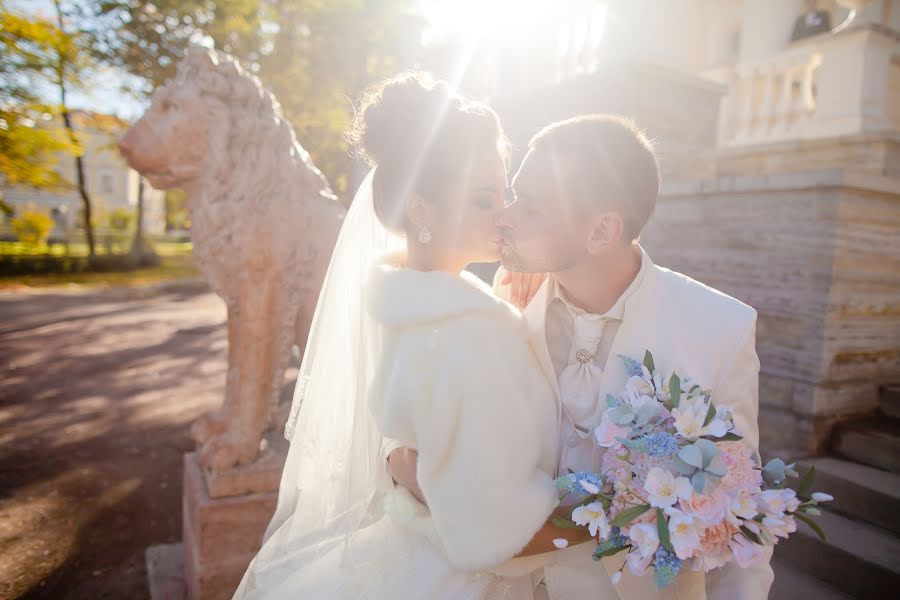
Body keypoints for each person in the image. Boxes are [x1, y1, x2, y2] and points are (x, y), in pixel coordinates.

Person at [390, 115, 775, 599]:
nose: (504, 216)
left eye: (528, 207)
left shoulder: (720, 328)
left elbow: (741, 525)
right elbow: (418, 406)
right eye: (512, 195)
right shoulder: (501, 306)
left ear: (601, 232)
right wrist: (399, 458)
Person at [231, 72, 566, 600]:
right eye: (484, 199)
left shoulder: (402, 302)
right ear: (421, 210)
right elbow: (493, 532)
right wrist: (621, 522)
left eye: (503, 193)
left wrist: (405, 464)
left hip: (408, 554)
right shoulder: (475, 332)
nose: (503, 213)